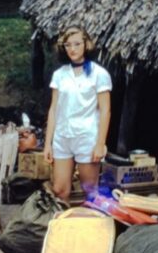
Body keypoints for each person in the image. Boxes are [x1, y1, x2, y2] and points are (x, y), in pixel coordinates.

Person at [43, 26, 112, 202]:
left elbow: (105, 110)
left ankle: (92, 226)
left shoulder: (99, 74)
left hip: (86, 137)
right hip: (63, 137)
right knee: (60, 190)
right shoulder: (60, 75)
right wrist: (48, 143)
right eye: (68, 45)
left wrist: (100, 144)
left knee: (90, 191)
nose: (72, 49)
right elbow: (53, 109)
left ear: (85, 45)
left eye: (76, 44)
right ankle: (64, 225)